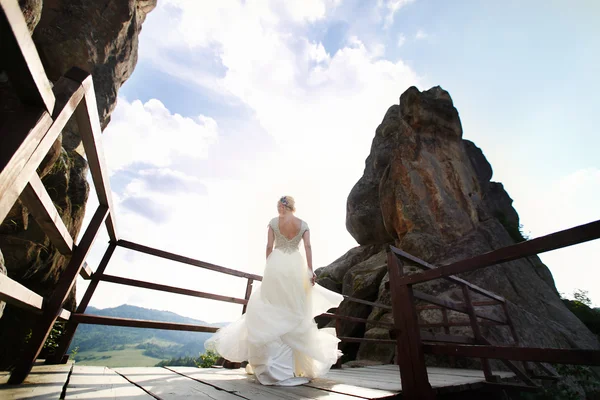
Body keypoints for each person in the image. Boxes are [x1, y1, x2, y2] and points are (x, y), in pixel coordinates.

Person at [205, 195, 343, 386]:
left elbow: (269, 246)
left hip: (277, 263)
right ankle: (292, 364)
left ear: (281, 207)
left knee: (271, 304)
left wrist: (270, 264)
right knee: (293, 308)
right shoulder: (303, 224)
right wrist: (310, 270)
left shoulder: (273, 222)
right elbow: (308, 246)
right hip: (296, 265)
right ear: (293, 207)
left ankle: (271, 361)